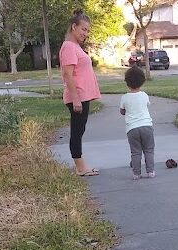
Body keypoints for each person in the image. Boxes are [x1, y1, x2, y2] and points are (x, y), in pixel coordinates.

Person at [59, 9, 101, 176]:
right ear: (73, 27)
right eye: (83, 29)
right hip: (77, 96)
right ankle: (80, 167)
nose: (86, 33)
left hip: (83, 95)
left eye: (87, 30)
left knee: (79, 130)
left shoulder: (75, 46)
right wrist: (75, 99)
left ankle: (81, 166)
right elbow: (67, 74)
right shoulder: (69, 47)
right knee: (77, 131)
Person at [119, 66, 155, 180]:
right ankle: (150, 171)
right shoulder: (144, 95)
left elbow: (122, 111)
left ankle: (136, 174)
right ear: (142, 81)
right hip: (147, 126)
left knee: (135, 152)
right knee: (148, 150)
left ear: (127, 82)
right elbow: (146, 105)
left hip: (132, 129)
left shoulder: (124, 97)